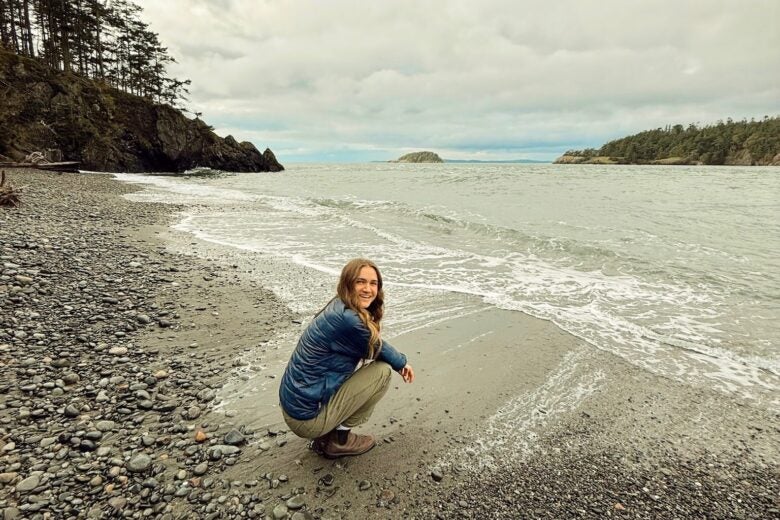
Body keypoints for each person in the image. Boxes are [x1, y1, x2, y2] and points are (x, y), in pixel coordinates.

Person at [279, 258, 415, 458]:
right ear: (347, 283)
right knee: (382, 372)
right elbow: (380, 348)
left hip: (295, 406)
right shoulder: (348, 320)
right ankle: (339, 440)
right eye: (360, 282)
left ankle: (329, 432)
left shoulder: (338, 305)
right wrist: (402, 363)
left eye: (373, 283)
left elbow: (374, 345)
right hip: (306, 420)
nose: (368, 289)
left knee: (377, 368)